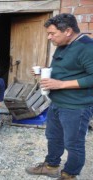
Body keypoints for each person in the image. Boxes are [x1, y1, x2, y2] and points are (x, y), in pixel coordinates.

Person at [25, 13, 93, 180]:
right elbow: (68, 69)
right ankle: (51, 166)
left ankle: (70, 174)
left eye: (52, 33)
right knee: (53, 137)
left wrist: (61, 84)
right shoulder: (64, 44)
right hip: (57, 103)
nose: (49, 37)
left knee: (73, 144)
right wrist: (44, 70)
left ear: (68, 31)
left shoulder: (87, 48)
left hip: (76, 107)